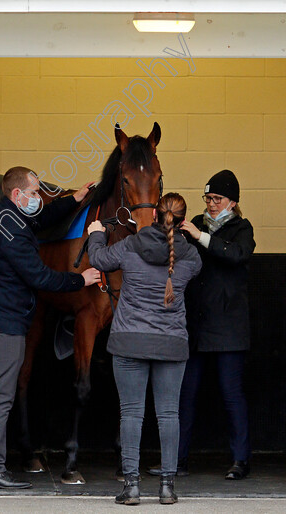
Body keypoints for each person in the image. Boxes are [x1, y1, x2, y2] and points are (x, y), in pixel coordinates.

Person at [0, 167, 101, 490]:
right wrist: (81, 279)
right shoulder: (13, 232)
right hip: (4, 325)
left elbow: (42, 218)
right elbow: (40, 277)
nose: (37, 199)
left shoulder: (3, 215)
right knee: (0, 396)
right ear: (18, 195)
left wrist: (73, 200)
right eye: (34, 193)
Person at [87, 193, 202, 505]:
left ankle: (133, 487)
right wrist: (188, 235)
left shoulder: (130, 245)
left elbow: (98, 260)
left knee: (131, 413)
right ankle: (167, 487)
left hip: (129, 341)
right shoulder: (189, 256)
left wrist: (96, 233)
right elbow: (195, 264)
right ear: (181, 222)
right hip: (171, 343)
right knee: (168, 414)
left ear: (153, 215)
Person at [171, 170, 255, 480]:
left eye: (217, 199)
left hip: (229, 329)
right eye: (207, 199)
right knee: (185, 395)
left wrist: (200, 236)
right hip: (196, 326)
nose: (211, 204)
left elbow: (236, 255)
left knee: (231, 395)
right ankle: (176, 461)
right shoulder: (195, 222)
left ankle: (240, 460)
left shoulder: (241, 228)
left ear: (232, 201)